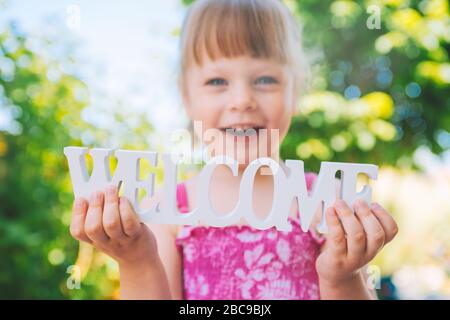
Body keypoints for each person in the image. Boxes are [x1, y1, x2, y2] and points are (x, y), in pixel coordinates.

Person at [69, 0, 398, 300]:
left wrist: (342, 278)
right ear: (187, 97)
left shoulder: (326, 203)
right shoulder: (168, 209)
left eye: (265, 79)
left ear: (295, 93)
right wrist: (136, 260)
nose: (242, 99)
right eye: (217, 82)